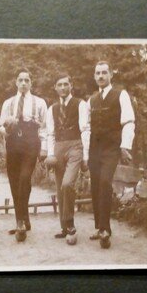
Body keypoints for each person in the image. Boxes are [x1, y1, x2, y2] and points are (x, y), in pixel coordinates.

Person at [87, 61, 135, 248]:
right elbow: (86, 127)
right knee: (95, 185)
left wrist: (125, 146)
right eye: (98, 73)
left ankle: (105, 229)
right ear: (94, 76)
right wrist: (85, 152)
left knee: (105, 182)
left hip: (111, 148)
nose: (101, 76)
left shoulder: (120, 94)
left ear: (111, 75)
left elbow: (129, 121)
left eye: (104, 72)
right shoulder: (92, 99)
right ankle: (98, 227)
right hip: (94, 148)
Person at [0, 68, 48, 239]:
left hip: (31, 142)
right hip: (13, 142)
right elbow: (0, 126)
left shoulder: (39, 102)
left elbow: (45, 127)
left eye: (27, 80)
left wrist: (44, 148)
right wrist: (7, 128)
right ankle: (22, 218)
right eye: (20, 80)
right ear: (16, 82)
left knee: (25, 178)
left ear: (31, 83)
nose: (23, 83)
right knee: (14, 180)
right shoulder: (8, 103)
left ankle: (20, 221)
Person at [44, 73, 90, 242]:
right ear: (55, 88)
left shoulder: (81, 104)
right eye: (59, 85)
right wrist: (50, 153)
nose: (63, 87)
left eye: (65, 84)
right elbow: (50, 133)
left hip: (75, 146)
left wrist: (85, 156)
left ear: (71, 85)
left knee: (67, 184)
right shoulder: (52, 109)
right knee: (60, 188)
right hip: (58, 148)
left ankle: (70, 223)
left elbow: (85, 130)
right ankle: (64, 228)